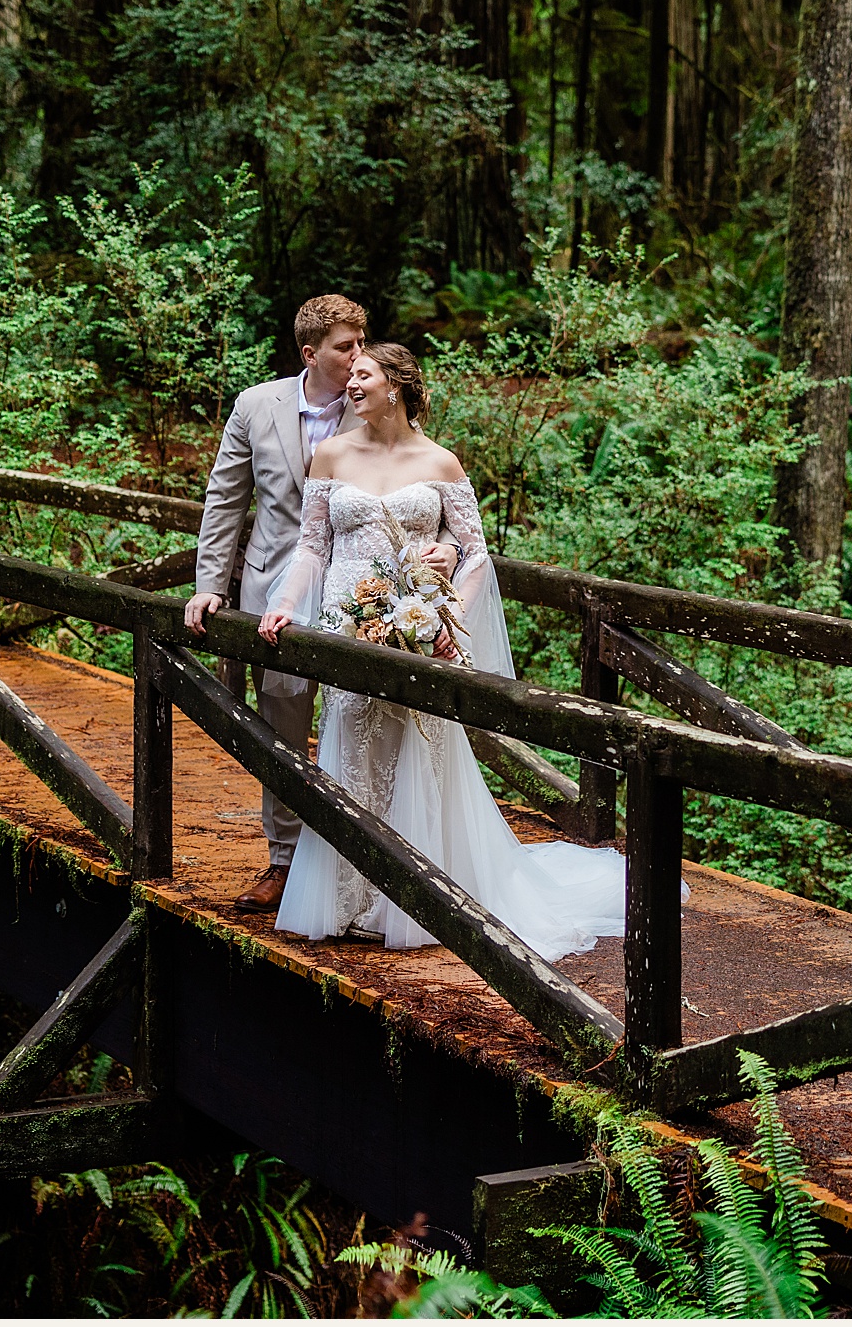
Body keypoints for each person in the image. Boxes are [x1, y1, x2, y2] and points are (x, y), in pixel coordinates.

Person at [258, 343, 628, 961]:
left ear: (396, 386)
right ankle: (348, 896)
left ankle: (414, 898)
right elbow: (312, 549)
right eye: (349, 375)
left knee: (413, 749)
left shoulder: (440, 462)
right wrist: (285, 605)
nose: (350, 383)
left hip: (415, 627)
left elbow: (475, 550)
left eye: (363, 375)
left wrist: (444, 609)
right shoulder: (329, 455)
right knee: (350, 746)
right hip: (347, 627)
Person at [187, 294, 370, 914]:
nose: (358, 356)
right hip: (273, 592)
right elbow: (225, 501)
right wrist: (210, 583)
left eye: (361, 342)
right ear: (309, 351)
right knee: (284, 725)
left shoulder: (376, 403)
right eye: (346, 346)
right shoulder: (255, 406)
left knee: (357, 724)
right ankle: (285, 861)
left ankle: (363, 863)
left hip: (356, 592)